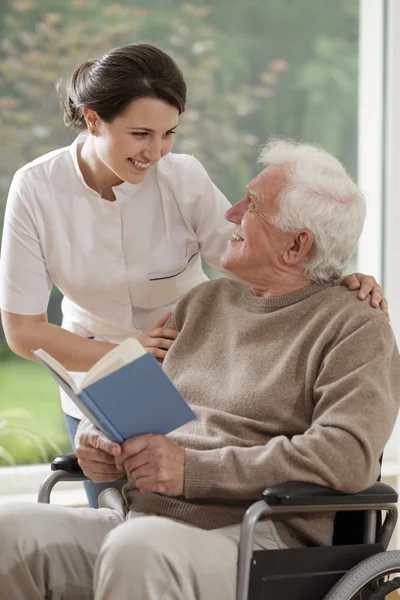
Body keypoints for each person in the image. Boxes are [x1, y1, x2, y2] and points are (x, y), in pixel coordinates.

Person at [0, 138, 398, 600]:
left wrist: (192, 471)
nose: (230, 213)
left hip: (258, 537)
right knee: (11, 528)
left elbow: (345, 456)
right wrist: (96, 438)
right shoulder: (204, 303)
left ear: (296, 245)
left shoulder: (355, 328)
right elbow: (135, 393)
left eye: (252, 205)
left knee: (137, 548)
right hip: (145, 521)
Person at [0, 43, 387, 509]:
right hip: (100, 380)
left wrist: (340, 277)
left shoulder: (181, 179)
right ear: (93, 119)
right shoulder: (37, 188)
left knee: (184, 510)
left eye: (169, 133)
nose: (156, 151)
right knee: (116, 519)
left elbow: (265, 253)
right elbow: (24, 333)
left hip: (197, 369)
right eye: (141, 133)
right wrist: (123, 354)